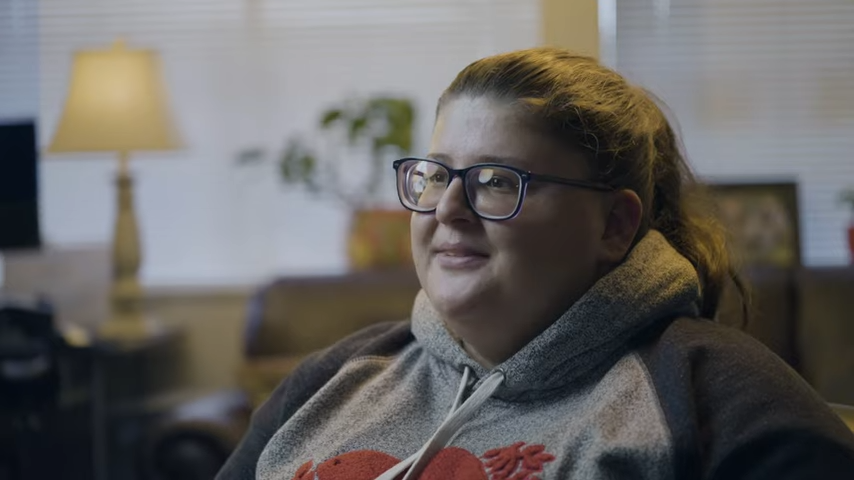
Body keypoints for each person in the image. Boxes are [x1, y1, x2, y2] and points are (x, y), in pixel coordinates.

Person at [217, 47, 854, 479]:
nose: (448, 209)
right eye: (436, 175)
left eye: (497, 181)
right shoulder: (334, 379)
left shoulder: (719, 395)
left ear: (614, 225)